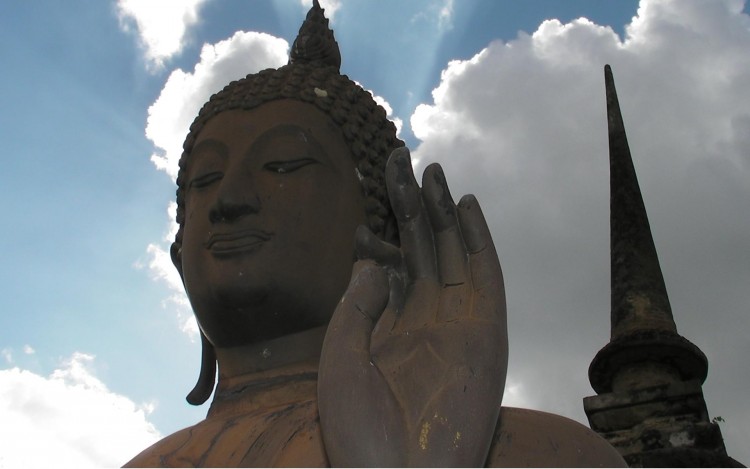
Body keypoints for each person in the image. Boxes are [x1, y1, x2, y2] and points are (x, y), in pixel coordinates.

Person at [125, 2, 625, 467]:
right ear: (176, 256)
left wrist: (417, 448)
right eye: (204, 181)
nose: (230, 200)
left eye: (283, 165)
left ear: (384, 231)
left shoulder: (545, 455)